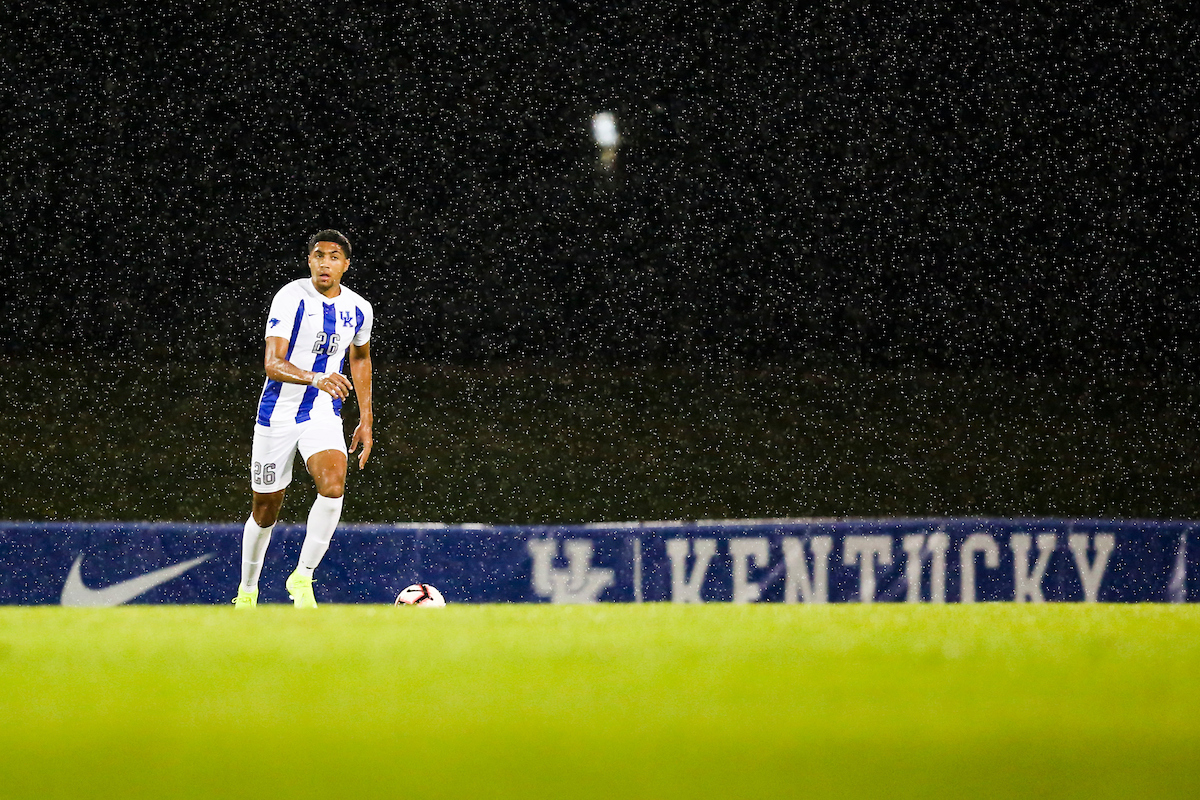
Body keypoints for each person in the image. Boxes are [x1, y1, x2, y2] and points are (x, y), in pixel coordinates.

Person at [233, 230, 374, 609]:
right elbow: (272, 363)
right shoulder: (291, 297)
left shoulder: (359, 308)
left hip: (321, 412)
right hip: (276, 416)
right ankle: (248, 590)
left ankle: (302, 577)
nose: (324, 263)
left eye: (333, 257)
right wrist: (315, 377)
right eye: (318, 256)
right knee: (265, 511)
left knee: (333, 485)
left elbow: (360, 357)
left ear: (345, 264)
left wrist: (366, 418)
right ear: (309, 261)